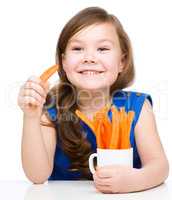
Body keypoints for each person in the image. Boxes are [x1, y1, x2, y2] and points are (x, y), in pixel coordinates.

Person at [18, 7, 169, 193]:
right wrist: (31, 116)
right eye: (78, 49)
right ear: (63, 62)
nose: (89, 58)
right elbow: (37, 176)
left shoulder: (137, 106)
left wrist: (133, 181)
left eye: (103, 49)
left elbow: (160, 167)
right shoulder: (51, 109)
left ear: (122, 61)